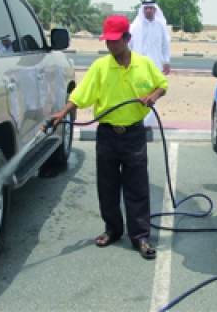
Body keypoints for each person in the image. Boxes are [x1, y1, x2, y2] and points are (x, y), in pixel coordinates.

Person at [50, 15, 168, 260]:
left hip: (134, 134)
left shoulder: (144, 64)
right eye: (107, 41)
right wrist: (63, 113)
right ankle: (113, 229)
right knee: (108, 186)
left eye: (115, 40)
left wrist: (153, 96)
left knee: (137, 186)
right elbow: (81, 95)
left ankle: (140, 236)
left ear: (127, 38)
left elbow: (162, 84)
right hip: (107, 135)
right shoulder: (100, 67)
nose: (111, 45)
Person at [129, 0, 171, 128]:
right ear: (143, 10)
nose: (148, 10)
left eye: (151, 8)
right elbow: (129, 45)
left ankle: (148, 123)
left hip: (155, 65)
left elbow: (165, 45)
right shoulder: (135, 26)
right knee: (139, 91)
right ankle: (137, 120)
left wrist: (166, 61)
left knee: (153, 93)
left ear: (155, 9)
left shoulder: (160, 25)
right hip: (138, 65)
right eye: (146, 8)